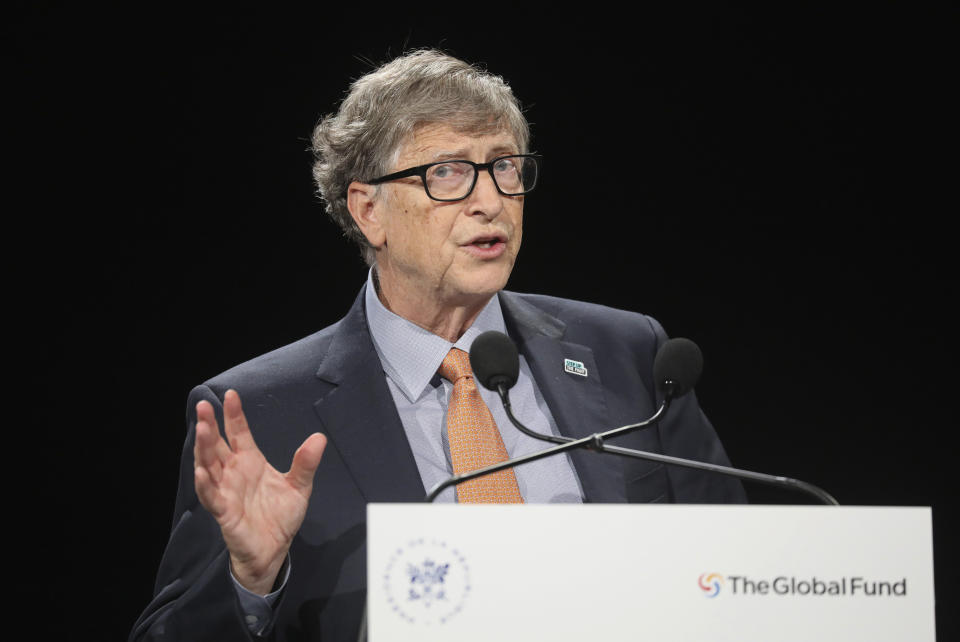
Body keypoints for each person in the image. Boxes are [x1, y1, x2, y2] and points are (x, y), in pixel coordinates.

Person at [130, 49, 746, 642]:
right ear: (369, 211)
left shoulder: (629, 355)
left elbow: (739, 571)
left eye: (505, 166)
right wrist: (251, 581)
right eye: (446, 173)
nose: (490, 201)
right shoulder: (261, 413)